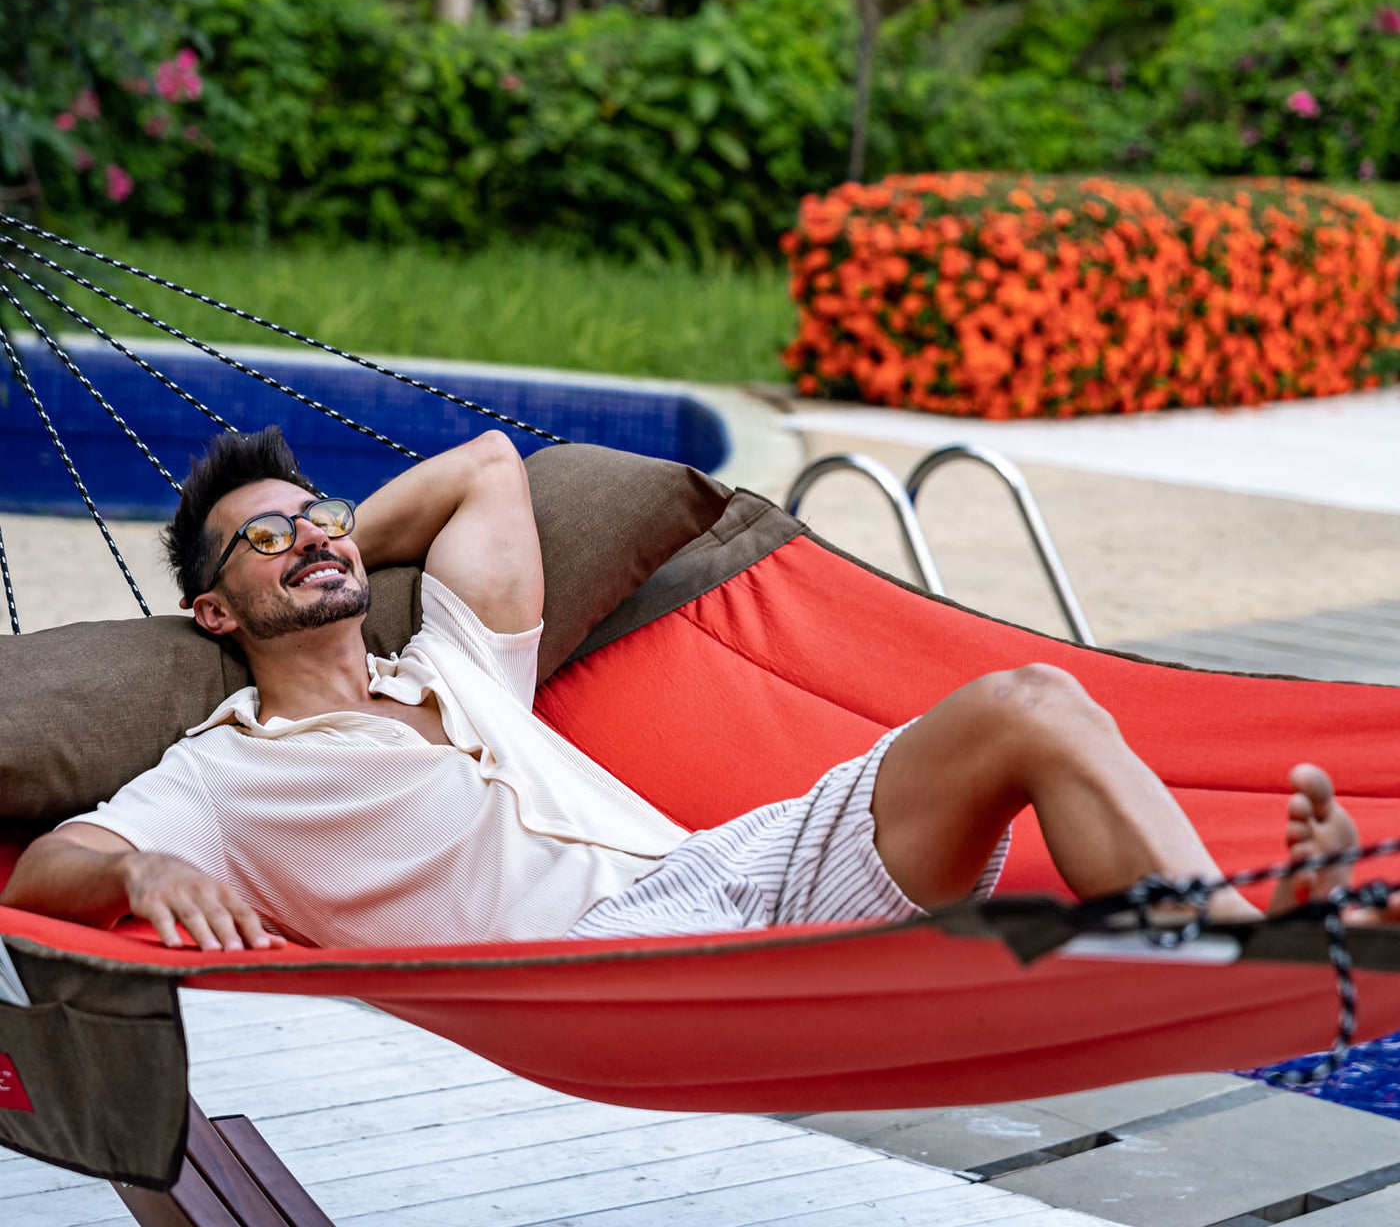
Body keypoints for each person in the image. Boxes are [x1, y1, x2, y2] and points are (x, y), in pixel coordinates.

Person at [0, 428, 1359, 952]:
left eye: (321, 518)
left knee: (1036, 703)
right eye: (266, 537)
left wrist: (336, 536)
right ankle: (1254, 935)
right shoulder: (232, 771)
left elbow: (486, 467)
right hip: (614, 966)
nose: (309, 537)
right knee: (1023, 710)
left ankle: (1243, 930)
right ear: (210, 611)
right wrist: (137, 878)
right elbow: (51, 862)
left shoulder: (461, 668)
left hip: (731, 875)